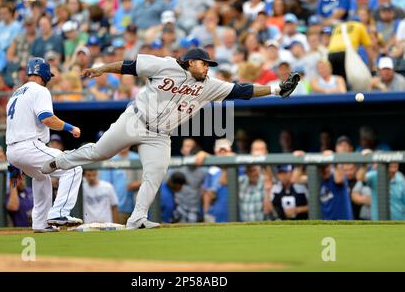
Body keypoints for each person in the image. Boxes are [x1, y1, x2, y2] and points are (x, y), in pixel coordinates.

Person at [41, 47, 299, 230]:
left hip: (160, 135)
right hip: (135, 120)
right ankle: (60, 161)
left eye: (209, 65)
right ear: (190, 62)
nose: (207, 67)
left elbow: (243, 90)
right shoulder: (165, 64)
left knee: (156, 172)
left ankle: (137, 218)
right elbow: (130, 66)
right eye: (204, 63)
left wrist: (276, 89)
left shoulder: (209, 85)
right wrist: (101, 69)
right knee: (99, 153)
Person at [5, 57, 83, 233]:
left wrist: (14, 165)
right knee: (73, 166)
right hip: (29, 145)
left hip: (13, 150)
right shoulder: (39, 90)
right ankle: (59, 213)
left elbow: (12, 128)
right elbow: (46, 118)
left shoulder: (15, 94)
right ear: (44, 74)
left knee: (42, 177)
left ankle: (40, 223)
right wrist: (70, 128)